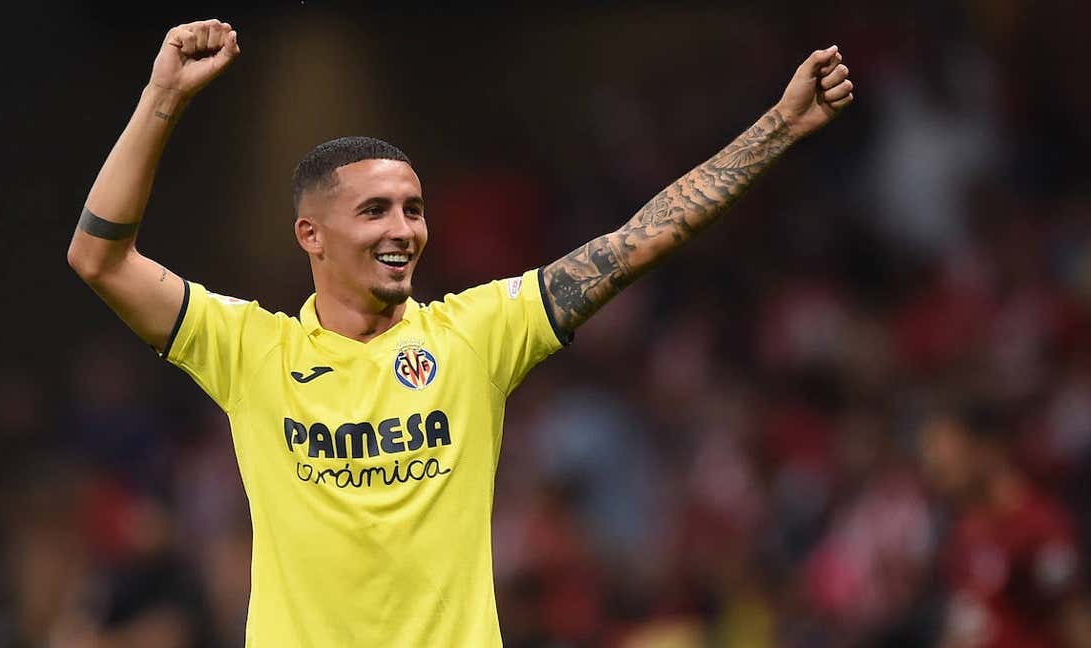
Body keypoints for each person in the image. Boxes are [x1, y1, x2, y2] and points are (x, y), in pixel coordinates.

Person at [67, 18, 854, 647]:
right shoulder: (248, 351)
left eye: (413, 208)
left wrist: (779, 129)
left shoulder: (476, 333)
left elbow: (638, 240)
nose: (404, 228)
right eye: (374, 210)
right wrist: (162, 97)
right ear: (310, 234)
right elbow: (99, 257)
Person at [919, 404, 1091, 648]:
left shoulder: (1038, 527)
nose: (933, 467)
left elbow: (1075, 622)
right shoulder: (964, 531)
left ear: (987, 450)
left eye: (944, 454)